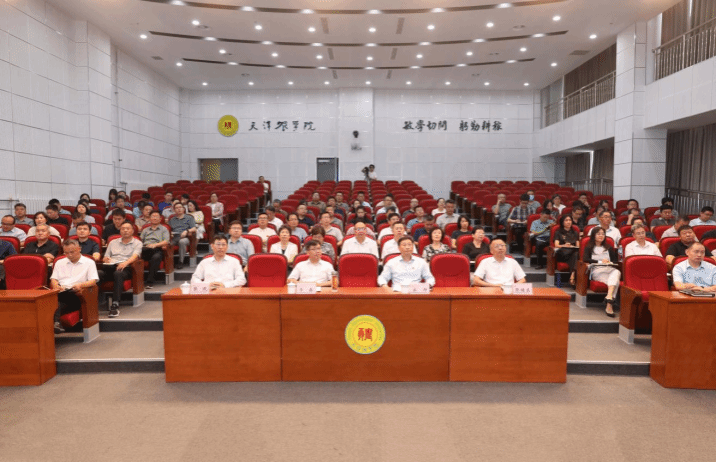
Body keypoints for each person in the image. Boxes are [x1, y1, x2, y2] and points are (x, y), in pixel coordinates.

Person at [49, 239, 99, 333]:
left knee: (58, 301)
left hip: (77, 293)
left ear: (79, 249)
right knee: (54, 301)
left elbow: (93, 281)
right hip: (61, 292)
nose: (69, 255)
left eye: (72, 252)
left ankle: (56, 323)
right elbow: (54, 279)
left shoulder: (89, 262)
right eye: (66, 253)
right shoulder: (59, 262)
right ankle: (56, 323)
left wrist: (81, 285)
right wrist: (56, 286)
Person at [102, 221, 142, 317]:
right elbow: (106, 256)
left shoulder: (137, 243)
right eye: (123, 229)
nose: (125, 230)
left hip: (126, 268)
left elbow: (135, 257)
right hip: (111, 267)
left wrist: (125, 263)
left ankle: (115, 304)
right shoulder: (112, 242)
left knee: (118, 273)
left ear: (132, 231)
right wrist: (106, 259)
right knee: (98, 273)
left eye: (128, 228)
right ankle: (93, 304)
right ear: (120, 231)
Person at [583, 227, 621, 317]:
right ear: (594, 235)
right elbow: (585, 259)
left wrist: (609, 262)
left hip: (609, 269)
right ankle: (609, 304)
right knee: (615, 281)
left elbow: (615, 261)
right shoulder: (589, 247)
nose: (601, 236)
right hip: (597, 270)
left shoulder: (608, 247)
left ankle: (609, 297)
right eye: (598, 234)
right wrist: (600, 262)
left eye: (603, 234)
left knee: (617, 272)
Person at [139, 211, 170, 289]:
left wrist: (155, 245)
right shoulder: (145, 230)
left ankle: (150, 282)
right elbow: (140, 241)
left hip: (157, 249)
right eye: (153, 216)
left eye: (156, 216)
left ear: (160, 219)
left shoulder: (164, 229)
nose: (155, 218)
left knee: (156, 257)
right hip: (145, 249)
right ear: (149, 218)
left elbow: (166, 241)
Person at [168, 203, 196, 269]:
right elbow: (169, 229)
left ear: (183, 209)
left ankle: (181, 262)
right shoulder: (172, 220)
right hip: (174, 237)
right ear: (174, 210)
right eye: (177, 208)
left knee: (182, 242)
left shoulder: (189, 218)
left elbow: (194, 228)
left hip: (185, 237)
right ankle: (169, 262)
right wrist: (170, 233)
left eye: (180, 207)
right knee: (167, 244)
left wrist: (187, 231)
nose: (179, 209)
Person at [554, 215, 580, 286]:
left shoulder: (575, 233)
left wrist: (572, 246)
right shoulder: (558, 232)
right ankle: (573, 276)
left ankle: (572, 276)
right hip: (563, 253)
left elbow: (578, 246)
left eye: (570, 220)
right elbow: (556, 245)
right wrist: (564, 245)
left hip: (572, 253)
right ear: (562, 222)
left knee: (575, 254)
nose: (568, 222)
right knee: (575, 255)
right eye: (566, 220)